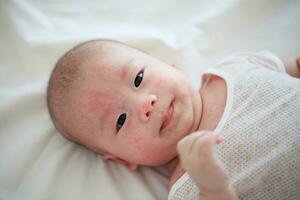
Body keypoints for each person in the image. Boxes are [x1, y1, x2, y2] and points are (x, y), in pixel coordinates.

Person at [47, 39, 300, 200]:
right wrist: (213, 189)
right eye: (120, 121)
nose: (144, 105)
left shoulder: (234, 69)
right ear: (124, 160)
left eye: (138, 79)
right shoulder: (188, 190)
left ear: (171, 66)